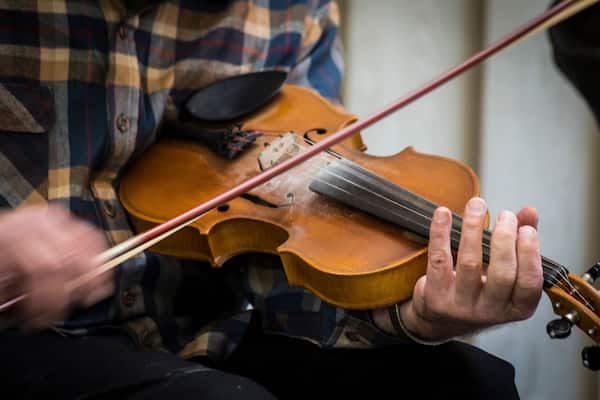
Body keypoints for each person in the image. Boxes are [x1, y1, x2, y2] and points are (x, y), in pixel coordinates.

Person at [0, 1, 543, 399]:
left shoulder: (292, 12)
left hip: (199, 332)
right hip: (29, 340)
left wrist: (409, 317)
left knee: (474, 388)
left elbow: (285, 253)